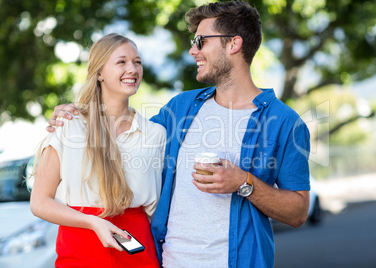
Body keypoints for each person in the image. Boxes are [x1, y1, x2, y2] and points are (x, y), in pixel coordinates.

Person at [46, 1, 311, 267]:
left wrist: (244, 182)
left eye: (200, 41)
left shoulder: (286, 123)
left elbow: (299, 212)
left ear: (233, 44)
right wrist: (79, 114)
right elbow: (124, 138)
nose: (192, 50)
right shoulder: (181, 108)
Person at [30, 33, 165, 268]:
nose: (132, 69)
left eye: (137, 62)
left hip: (137, 250)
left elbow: (156, 210)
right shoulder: (68, 125)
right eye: (121, 62)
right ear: (100, 73)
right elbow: (40, 202)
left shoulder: (155, 134)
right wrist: (93, 222)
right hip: (80, 249)